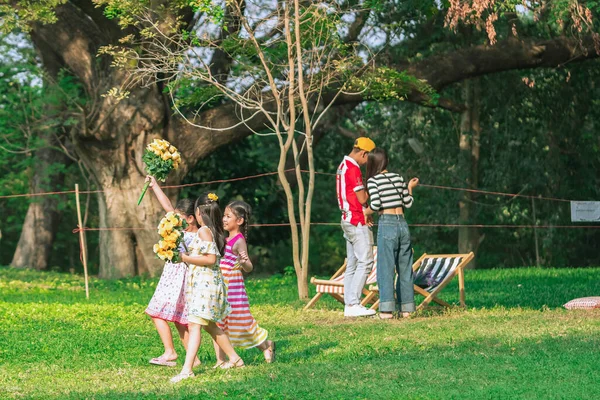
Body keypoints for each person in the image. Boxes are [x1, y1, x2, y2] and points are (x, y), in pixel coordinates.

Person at [170, 192, 244, 383]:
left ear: (198, 212)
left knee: (195, 325)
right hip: (208, 284)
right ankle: (235, 359)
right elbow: (206, 258)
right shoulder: (213, 230)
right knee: (210, 325)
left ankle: (187, 370)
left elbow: (210, 259)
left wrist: (185, 258)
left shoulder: (204, 231)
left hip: (205, 286)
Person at [144, 175, 200, 368]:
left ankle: (170, 352)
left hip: (180, 279)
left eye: (180, 217)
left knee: (155, 312)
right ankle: (195, 359)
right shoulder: (181, 229)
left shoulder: (199, 235)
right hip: (173, 277)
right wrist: (155, 185)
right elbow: (168, 207)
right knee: (179, 320)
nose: (175, 219)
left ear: (191, 218)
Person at [213, 200, 275, 367]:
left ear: (239, 221)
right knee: (219, 322)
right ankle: (221, 360)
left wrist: (244, 261)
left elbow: (248, 267)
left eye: (228, 216)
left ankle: (266, 345)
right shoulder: (225, 239)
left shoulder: (239, 240)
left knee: (241, 323)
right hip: (221, 286)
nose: (224, 219)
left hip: (234, 289)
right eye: (224, 216)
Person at [364, 148, 419, 319]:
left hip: (386, 223)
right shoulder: (398, 177)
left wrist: (364, 213)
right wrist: (410, 187)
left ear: (373, 162)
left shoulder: (373, 181)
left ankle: (387, 311)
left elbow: (375, 205)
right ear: (386, 161)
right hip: (402, 224)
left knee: (386, 268)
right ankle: (407, 309)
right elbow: (408, 203)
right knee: (405, 268)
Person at [336, 137, 377, 317]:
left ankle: (349, 304)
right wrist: (375, 186)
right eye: (367, 158)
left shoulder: (342, 166)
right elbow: (362, 198)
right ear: (363, 153)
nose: (367, 162)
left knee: (352, 264)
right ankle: (353, 303)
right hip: (357, 221)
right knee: (366, 262)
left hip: (347, 219)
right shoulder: (353, 169)